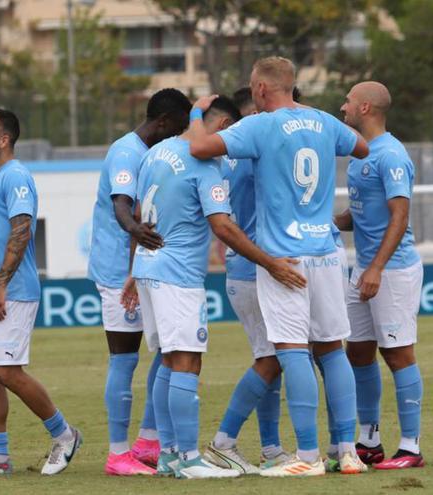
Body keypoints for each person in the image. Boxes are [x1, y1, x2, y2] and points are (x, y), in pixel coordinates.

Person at [187, 56, 370, 477]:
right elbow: (361, 146)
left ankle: (306, 456)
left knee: (290, 352)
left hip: (283, 257)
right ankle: (347, 451)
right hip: (327, 251)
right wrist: (321, 127)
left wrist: (197, 112)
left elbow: (198, 147)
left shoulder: (259, 125)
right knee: (331, 348)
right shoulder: (322, 120)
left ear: (262, 89)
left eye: (253, 86)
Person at [132, 96, 306, 480]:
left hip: (147, 266)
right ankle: (191, 458)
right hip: (177, 273)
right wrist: (270, 262)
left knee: (167, 359)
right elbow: (223, 227)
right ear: (225, 123)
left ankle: (170, 455)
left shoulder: (157, 151)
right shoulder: (204, 164)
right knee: (186, 361)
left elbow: (135, 212)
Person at [0, 109, 82, 476]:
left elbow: (21, 232)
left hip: (14, 292)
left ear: (4, 140)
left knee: (7, 370)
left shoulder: (16, 177)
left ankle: (64, 435)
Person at [87, 88, 191, 476]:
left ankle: (148, 440)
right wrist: (138, 232)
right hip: (119, 272)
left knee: (165, 350)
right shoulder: (127, 152)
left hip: (143, 268)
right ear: (162, 123)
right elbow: (121, 205)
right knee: (125, 357)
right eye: (177, 129)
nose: (178, 137)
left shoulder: (151, 153)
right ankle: (118, 454)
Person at [201, 88, 291, 474]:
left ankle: (271, 448)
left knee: (270, 358)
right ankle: (224, 441)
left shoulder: (229, 160)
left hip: (244, 268)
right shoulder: (258, 157)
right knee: (273, 359)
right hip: (257, 268)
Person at [336, 81, 425, 470]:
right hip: (365, 269)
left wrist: (376, 268)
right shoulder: (361, 154)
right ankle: (369, 440)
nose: (343, 107)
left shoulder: (392, 155)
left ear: (366, 108)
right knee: (357, 351)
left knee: (398, 353)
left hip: (391, 271)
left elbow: (399, 215)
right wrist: (324, 220)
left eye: (349, 102)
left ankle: (411, 448)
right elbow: (358, 214)